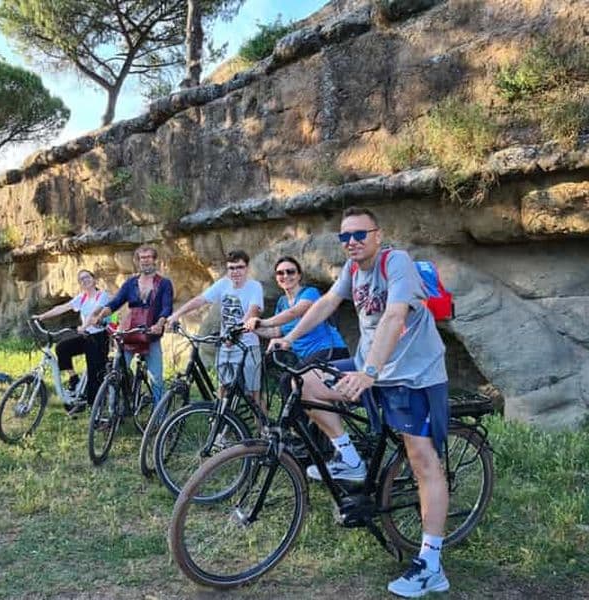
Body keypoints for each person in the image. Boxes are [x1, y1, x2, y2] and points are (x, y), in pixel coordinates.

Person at [269, 207, 450, 598]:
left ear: (377, 235)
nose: (351, 242)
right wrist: (288, 335)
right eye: (344, 237)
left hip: (411, 374)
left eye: (358, 235)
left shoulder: (395, 263)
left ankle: (432, 563)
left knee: (422, 460)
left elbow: (394, 316)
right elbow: (326, 304)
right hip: (372, 363)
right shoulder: (352, 270)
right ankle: (349, 458)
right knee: (303, 383)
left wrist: (368, 372)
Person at [167, 250, 264, 409]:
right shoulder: (223, 284)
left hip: (247, 345)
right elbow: (201, 300)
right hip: (226, 346)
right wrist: (177, 314)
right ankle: (221, 425)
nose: (235, 272)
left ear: (247, 268)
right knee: (223, 389)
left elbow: (253, 311)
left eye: (239, 267)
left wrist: (237, 332)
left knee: (253, 395)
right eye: (231, 268)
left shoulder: (254, 287)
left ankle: (262, 430)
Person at [89, 245, 173, 404]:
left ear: (155, 260)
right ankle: (114, 412)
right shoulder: (131, 283)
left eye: (148, 257)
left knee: (156, 378)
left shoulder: (164, 283)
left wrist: (160, 324)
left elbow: (167, 307)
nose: (145, 261)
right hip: (130, 333)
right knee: (117, 373)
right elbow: (115, 302)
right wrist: (101, 316)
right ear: (138, 261)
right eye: (142, 258)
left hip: (151, 335)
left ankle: (159, 418)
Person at [32, 269, 109, 413]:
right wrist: (42, 316)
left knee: (94, 372)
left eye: (87, 277)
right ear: (80, 284)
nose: (85, 280)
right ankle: (74, 378)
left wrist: (84, 326)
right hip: (85, 335)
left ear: (94, 279)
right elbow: (63, 307)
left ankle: (95, 409)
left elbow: (96, 313)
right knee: (62, 348)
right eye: (81, 279)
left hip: (99, 337)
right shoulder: (82, 298)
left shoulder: (102, 295)